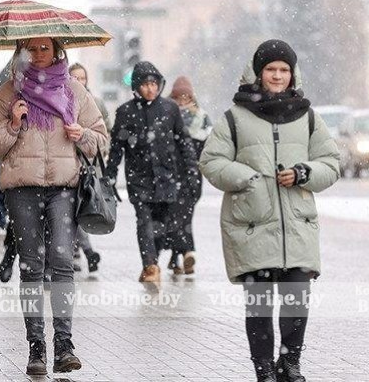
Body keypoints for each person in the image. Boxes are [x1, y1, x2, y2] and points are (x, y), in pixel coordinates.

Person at [199, 39, 340, 381]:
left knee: (296, 300)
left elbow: (331, 162)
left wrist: (305, 172)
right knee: (259, 306)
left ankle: (290, 363)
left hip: (297, 225)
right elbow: (211, 161)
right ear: (258, 73)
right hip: (252, 224)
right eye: (271, 69)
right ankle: (263, 369)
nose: (277, 76)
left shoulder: (308, 117)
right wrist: (247, 178)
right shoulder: (235, 117)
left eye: (284, 69)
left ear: (293, 74)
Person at [0, 37, 108, 376]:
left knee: (62, 263)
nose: (37, 54)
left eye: (44, 48)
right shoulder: (9, 91)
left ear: (57, 50)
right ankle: (36, 347)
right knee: (32, 267)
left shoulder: (74, 90)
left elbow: (101, 140)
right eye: (30, 49)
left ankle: (64, 345)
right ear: (21, 52)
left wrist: (83, 135)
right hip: (22, 189)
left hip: (64, 188)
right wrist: (12, 125)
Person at [105, 61, 197, 284]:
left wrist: (192, 168)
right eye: (145, 84)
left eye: (154, 84)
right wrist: (110, 175)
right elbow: (117, 147)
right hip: (139, 178)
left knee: (162, 225)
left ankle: (152, 261)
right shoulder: (126, 112)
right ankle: (150, 265)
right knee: (144, 221)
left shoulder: (170, 109)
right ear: (137, 86)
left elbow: (183, 140)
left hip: (166, 176)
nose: (150, 89)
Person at [163, 76, 211, 275]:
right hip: (171, 175)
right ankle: (187, 253)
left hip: (192, 174)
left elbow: (209, 148)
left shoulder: (203, 118)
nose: (182, 101)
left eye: (186, 97)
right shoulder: (166, 116)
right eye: (178, 97)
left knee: (183, 216)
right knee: (178, 216)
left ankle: (177, 257)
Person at [67, 63, 107, 273]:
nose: (79, 82)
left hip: (89, 166)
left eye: (82, 78)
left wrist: (99, 147)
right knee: (71, 210)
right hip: (68, 164)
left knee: (82, 209)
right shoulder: (62, 101)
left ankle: (81, 250)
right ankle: (82, 251)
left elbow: (105, 132)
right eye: (74, 77)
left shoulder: (96, 102)